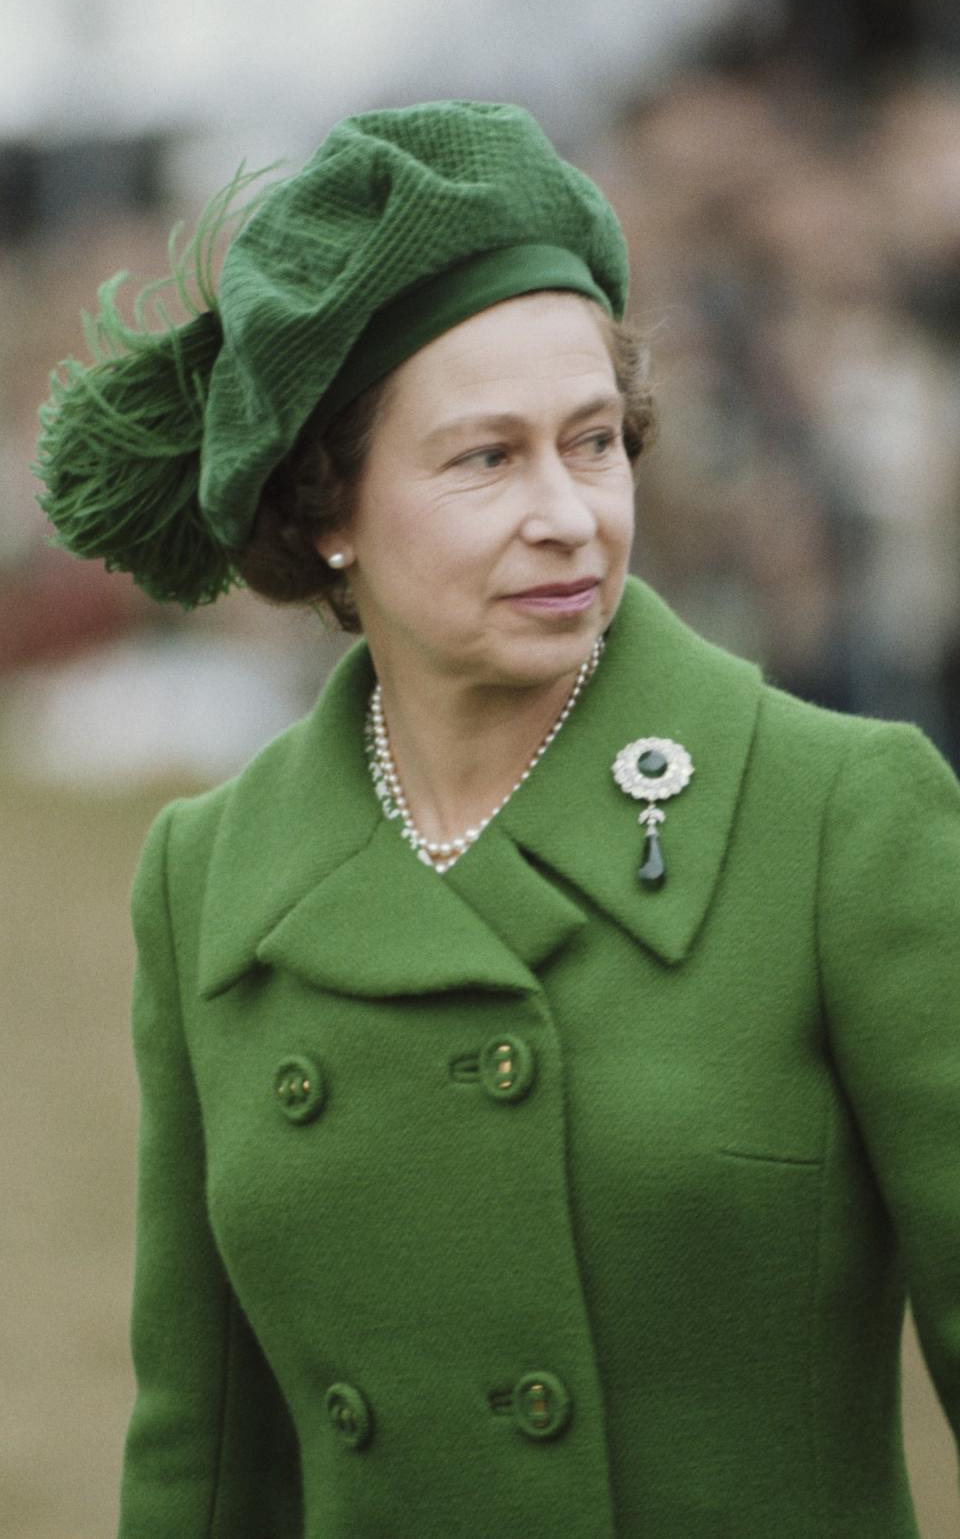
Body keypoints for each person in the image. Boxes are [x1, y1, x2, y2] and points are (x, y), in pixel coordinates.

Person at [34, 100, 960, 1539]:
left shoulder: (847, 814)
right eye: (485, 459)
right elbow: (200, 1461)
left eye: (593, 442)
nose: (568, 514)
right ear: (328, 502)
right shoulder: (207, 876)